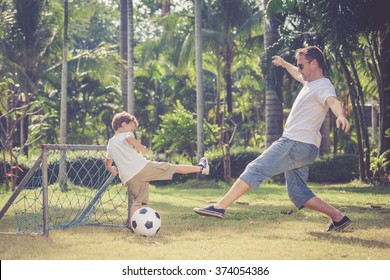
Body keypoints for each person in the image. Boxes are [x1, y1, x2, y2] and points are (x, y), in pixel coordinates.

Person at [193, 46, 352, 232]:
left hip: (294, 143)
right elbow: (296, 74)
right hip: (305, 148)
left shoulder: (323, 86)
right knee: (297, 192)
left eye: (301, 65)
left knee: (255, 168)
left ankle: (219, 207)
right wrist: (285, 64)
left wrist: (340, 115)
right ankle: (338, 218)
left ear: (314, 63)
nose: (299, 69)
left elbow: (332, 101)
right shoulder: (310, 83)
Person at [105, 111, 209, 231]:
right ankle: (201, 168)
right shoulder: (126, 134)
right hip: (141, 168)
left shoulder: (110, 143)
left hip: (128, 177)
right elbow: (129, 139)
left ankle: (131, 226)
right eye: (132, 128)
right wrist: (142, 148)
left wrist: (111, 169)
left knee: (137, 202)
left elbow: (107, 162)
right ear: (123, 125)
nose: (132, 131)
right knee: (172, 168)